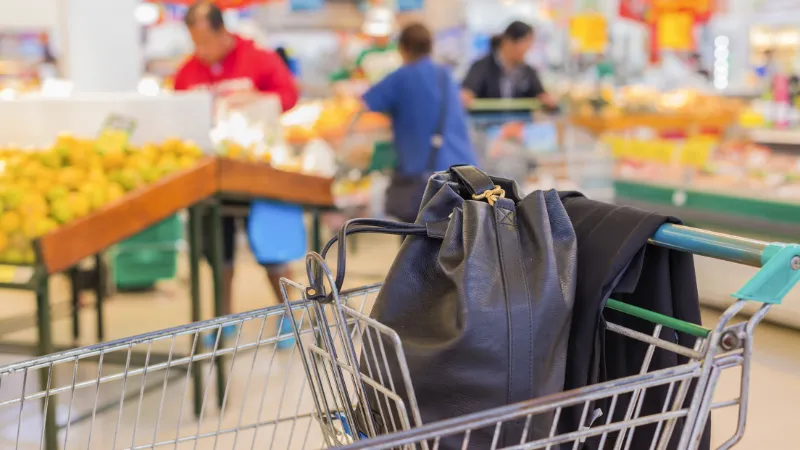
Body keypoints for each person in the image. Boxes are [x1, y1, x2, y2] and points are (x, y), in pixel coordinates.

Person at [173, 1, 299, 348]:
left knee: (270, 248)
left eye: (205, 40)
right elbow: (178, 112)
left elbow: (290, 95)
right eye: (194, 41)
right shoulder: (188, 71)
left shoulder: (257, 58)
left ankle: (289, 315)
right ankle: (224, 318)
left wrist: (257, 97)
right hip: (212, 178)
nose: (201, 49)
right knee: (219, 251)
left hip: (259, 173)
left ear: (221, 30)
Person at [361, 23, 477, 222]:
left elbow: (367, 103)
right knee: (457, 237)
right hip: (462, 169)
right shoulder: (445, 75)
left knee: (417, 241)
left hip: (422, 175)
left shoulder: (401, 77)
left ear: (402, 49)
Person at [461, 21, 556, 109]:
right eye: (525, 43)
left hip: (520, 124)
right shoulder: (481, 67)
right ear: (508, 42)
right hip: (488, 124)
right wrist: (465, 97)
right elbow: (468, 92)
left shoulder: (527, 71)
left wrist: (548, 100)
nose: (528, 49)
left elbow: (540, 94)